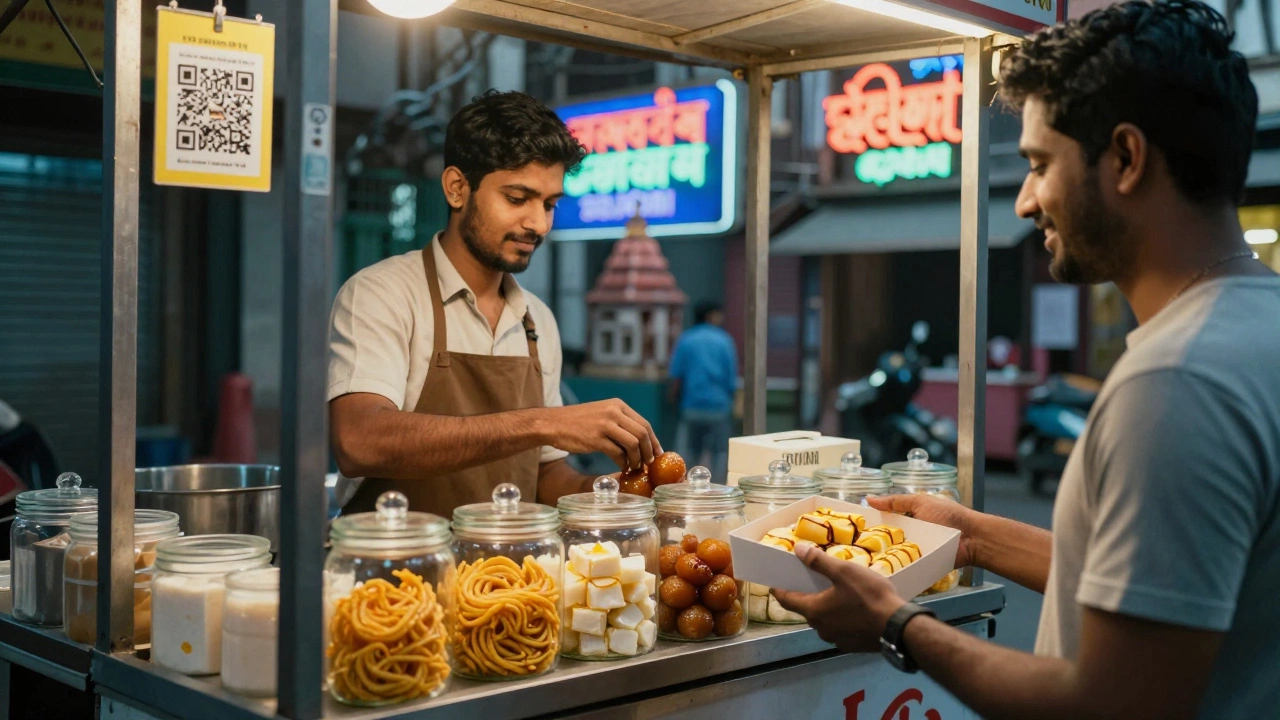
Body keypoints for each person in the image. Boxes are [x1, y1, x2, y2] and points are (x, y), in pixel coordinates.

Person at [772, 3, 1279, 718]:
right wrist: (970, 535)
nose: (1024, 202)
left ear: (1126, 159)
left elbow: (1110, 704)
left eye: (1040, 164)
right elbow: (1164, 590)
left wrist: (894, 622)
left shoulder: (1175, 381)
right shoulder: (1258, 325)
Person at [327, 90, 660, 518]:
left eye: (550, 204)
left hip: (504, 579)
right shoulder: (382, 294)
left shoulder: (535, 321)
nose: (538, 224)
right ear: (456, 188)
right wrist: (543, 421)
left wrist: (604, 494)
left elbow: (542, 477)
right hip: (392, 578)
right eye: (517, 199)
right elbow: (359, 441)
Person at [668, 302, 738, 483]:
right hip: (718, 406)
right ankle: (718, 487)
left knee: (690, 450)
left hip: (691, 406)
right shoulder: (724, 340)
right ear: (711, 315)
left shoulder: (686, 339)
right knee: (720, 452)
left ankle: (686, 487)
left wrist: (673, 400)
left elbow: (676, 376)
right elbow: (731, 378)